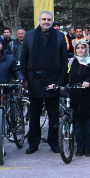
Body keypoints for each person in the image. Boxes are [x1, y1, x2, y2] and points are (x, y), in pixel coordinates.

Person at [18, 11, 68, 154]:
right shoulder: (29, 35)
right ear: (39, 20)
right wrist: (25, 79)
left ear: (52, 21)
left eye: (49, 19)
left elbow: (64, 60)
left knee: (53, 115)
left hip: (53, 80)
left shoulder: (59, 36)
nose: (46, 21)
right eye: (44, 19)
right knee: (34, 114)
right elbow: (24, 59)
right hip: (34, 80)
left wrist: (61, 81)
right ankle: (33, 143)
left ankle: (54, 142)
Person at [55, 41, 90, 157]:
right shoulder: (71, 62)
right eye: (78, 48)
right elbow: (64, 77)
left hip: (89, 99)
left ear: (86, 49)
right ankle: (80, 148)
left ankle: (89, 148)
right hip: (75, 98)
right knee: (78, 126)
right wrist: (56, 85)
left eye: (82, 48)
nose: (80, 50)